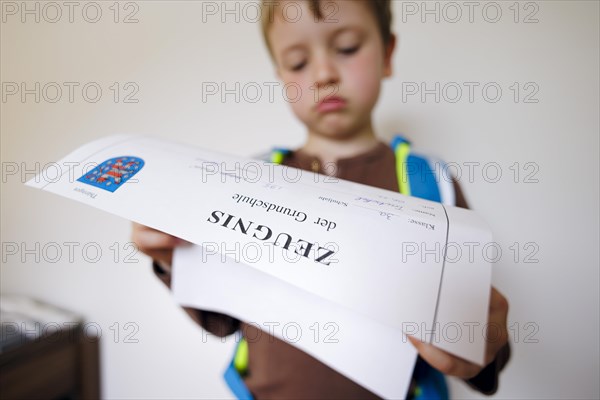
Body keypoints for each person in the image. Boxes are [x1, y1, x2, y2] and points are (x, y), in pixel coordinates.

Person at [132, 0, 510, 398]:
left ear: (387, 54)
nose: (324, 74)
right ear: (280, 75)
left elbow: (476, 343)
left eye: (346, 48)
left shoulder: (432, 184)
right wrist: (174, 259)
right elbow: (222, 321)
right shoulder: (248, 183)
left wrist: (482, 348)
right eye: (297, 63)